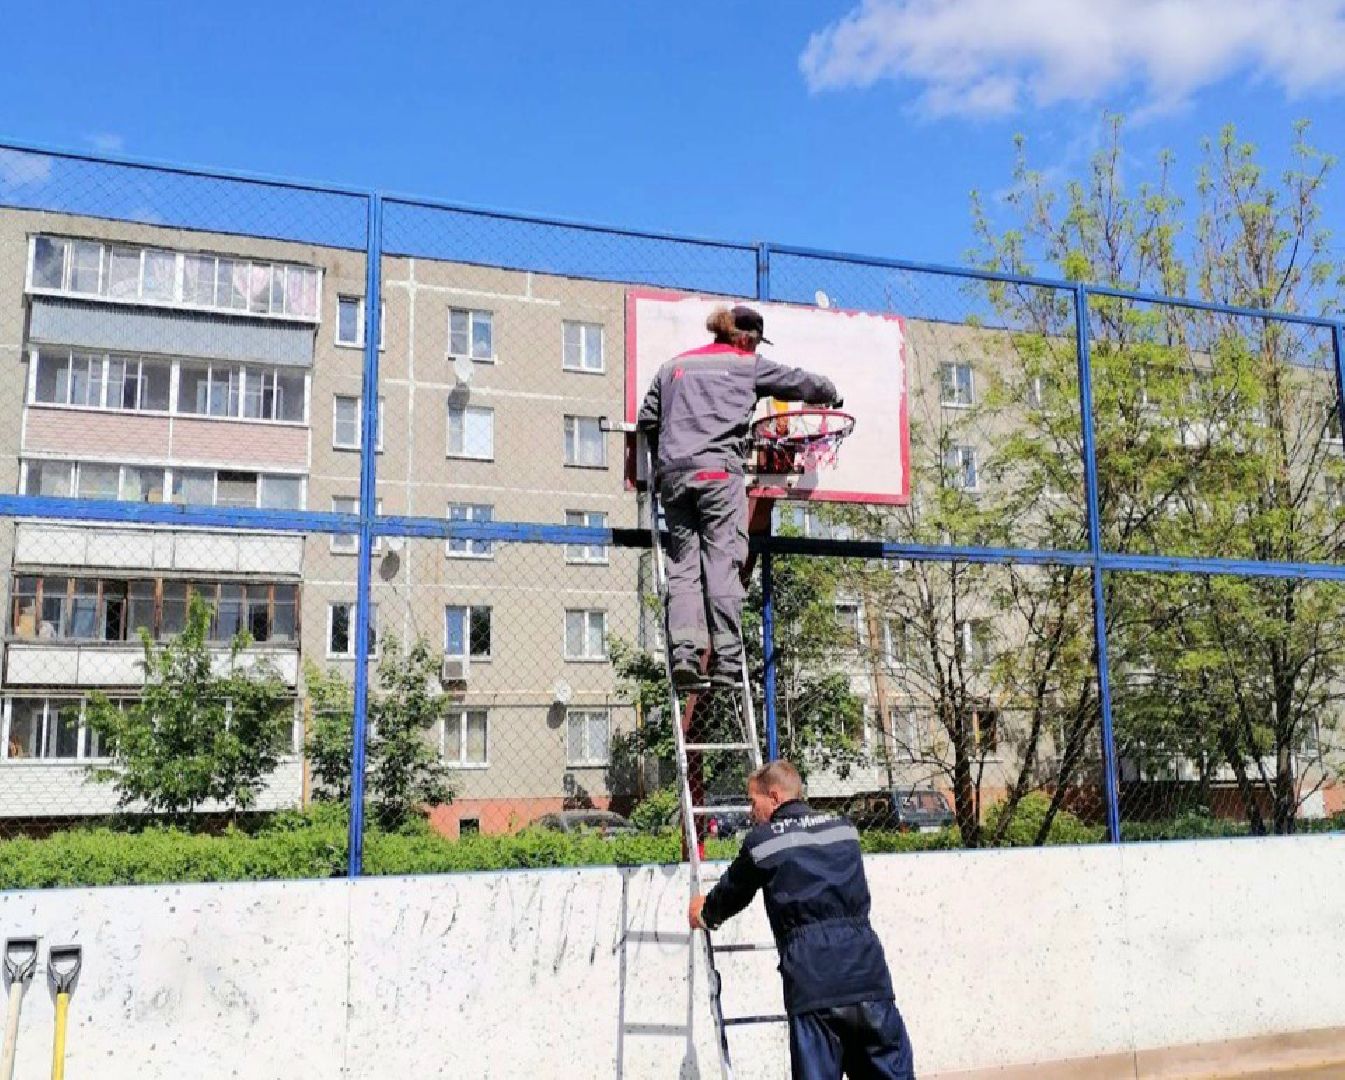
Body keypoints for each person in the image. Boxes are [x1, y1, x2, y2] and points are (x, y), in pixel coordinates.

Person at [637, 305, 839, 689]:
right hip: (717, 476)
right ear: (745, 338)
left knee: (683, 566)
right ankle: (727, 659)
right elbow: (797, 382)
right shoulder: (747, 364)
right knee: (722, 563)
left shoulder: (672, 367)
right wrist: (831, 392)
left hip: (674, 478)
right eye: (756, 341)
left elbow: (648, 419)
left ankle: (684, 653)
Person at [688, 760, 914, 1080]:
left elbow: (733, 892)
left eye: (755, 802)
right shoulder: (844, 828)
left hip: (813, 982)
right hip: (869, 976)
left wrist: (704, 913)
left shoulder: (763, 841)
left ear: (775, 796)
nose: (753, 812)